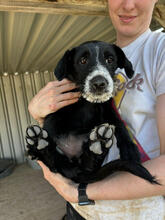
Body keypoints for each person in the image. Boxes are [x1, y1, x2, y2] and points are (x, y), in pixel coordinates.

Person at [28, 0, 165, 219]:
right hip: (81, 210)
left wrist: (77, 192)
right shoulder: (97, 51)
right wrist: (41, 113)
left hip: (139, 210)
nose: (128, 5)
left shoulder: (160, 49)